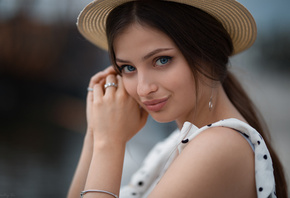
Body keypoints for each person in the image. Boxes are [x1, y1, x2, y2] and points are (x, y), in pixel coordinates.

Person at [68, 0, 288, 198]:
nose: (144, 89)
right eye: (128, 67)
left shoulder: (219, 146)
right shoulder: (178, 145)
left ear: (208, 54)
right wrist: (96, 133)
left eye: (162, 60)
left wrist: (109, 143)